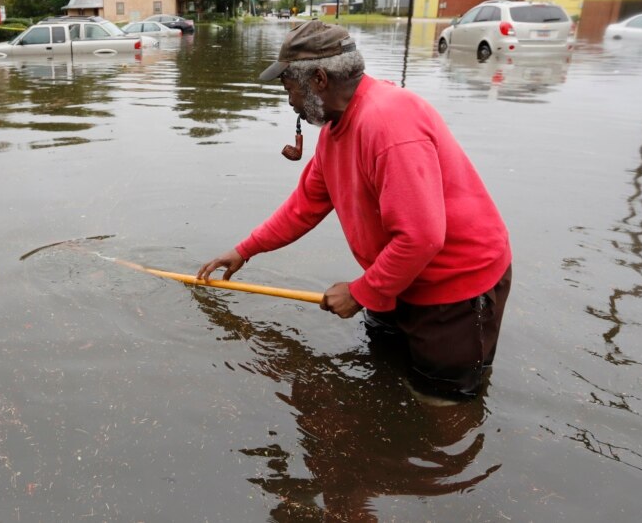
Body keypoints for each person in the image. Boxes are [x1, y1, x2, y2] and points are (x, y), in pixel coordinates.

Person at [196, 20, 512, 400]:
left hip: (454, 287)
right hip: (398, 280)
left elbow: (421, 238)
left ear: (318, 80)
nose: (290, 101)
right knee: (385, 376)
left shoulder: (389, 125)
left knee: (442, 403)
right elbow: (304, 207)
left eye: (288, 87)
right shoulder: (335, 129)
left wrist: (361, 293)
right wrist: (244, 250)